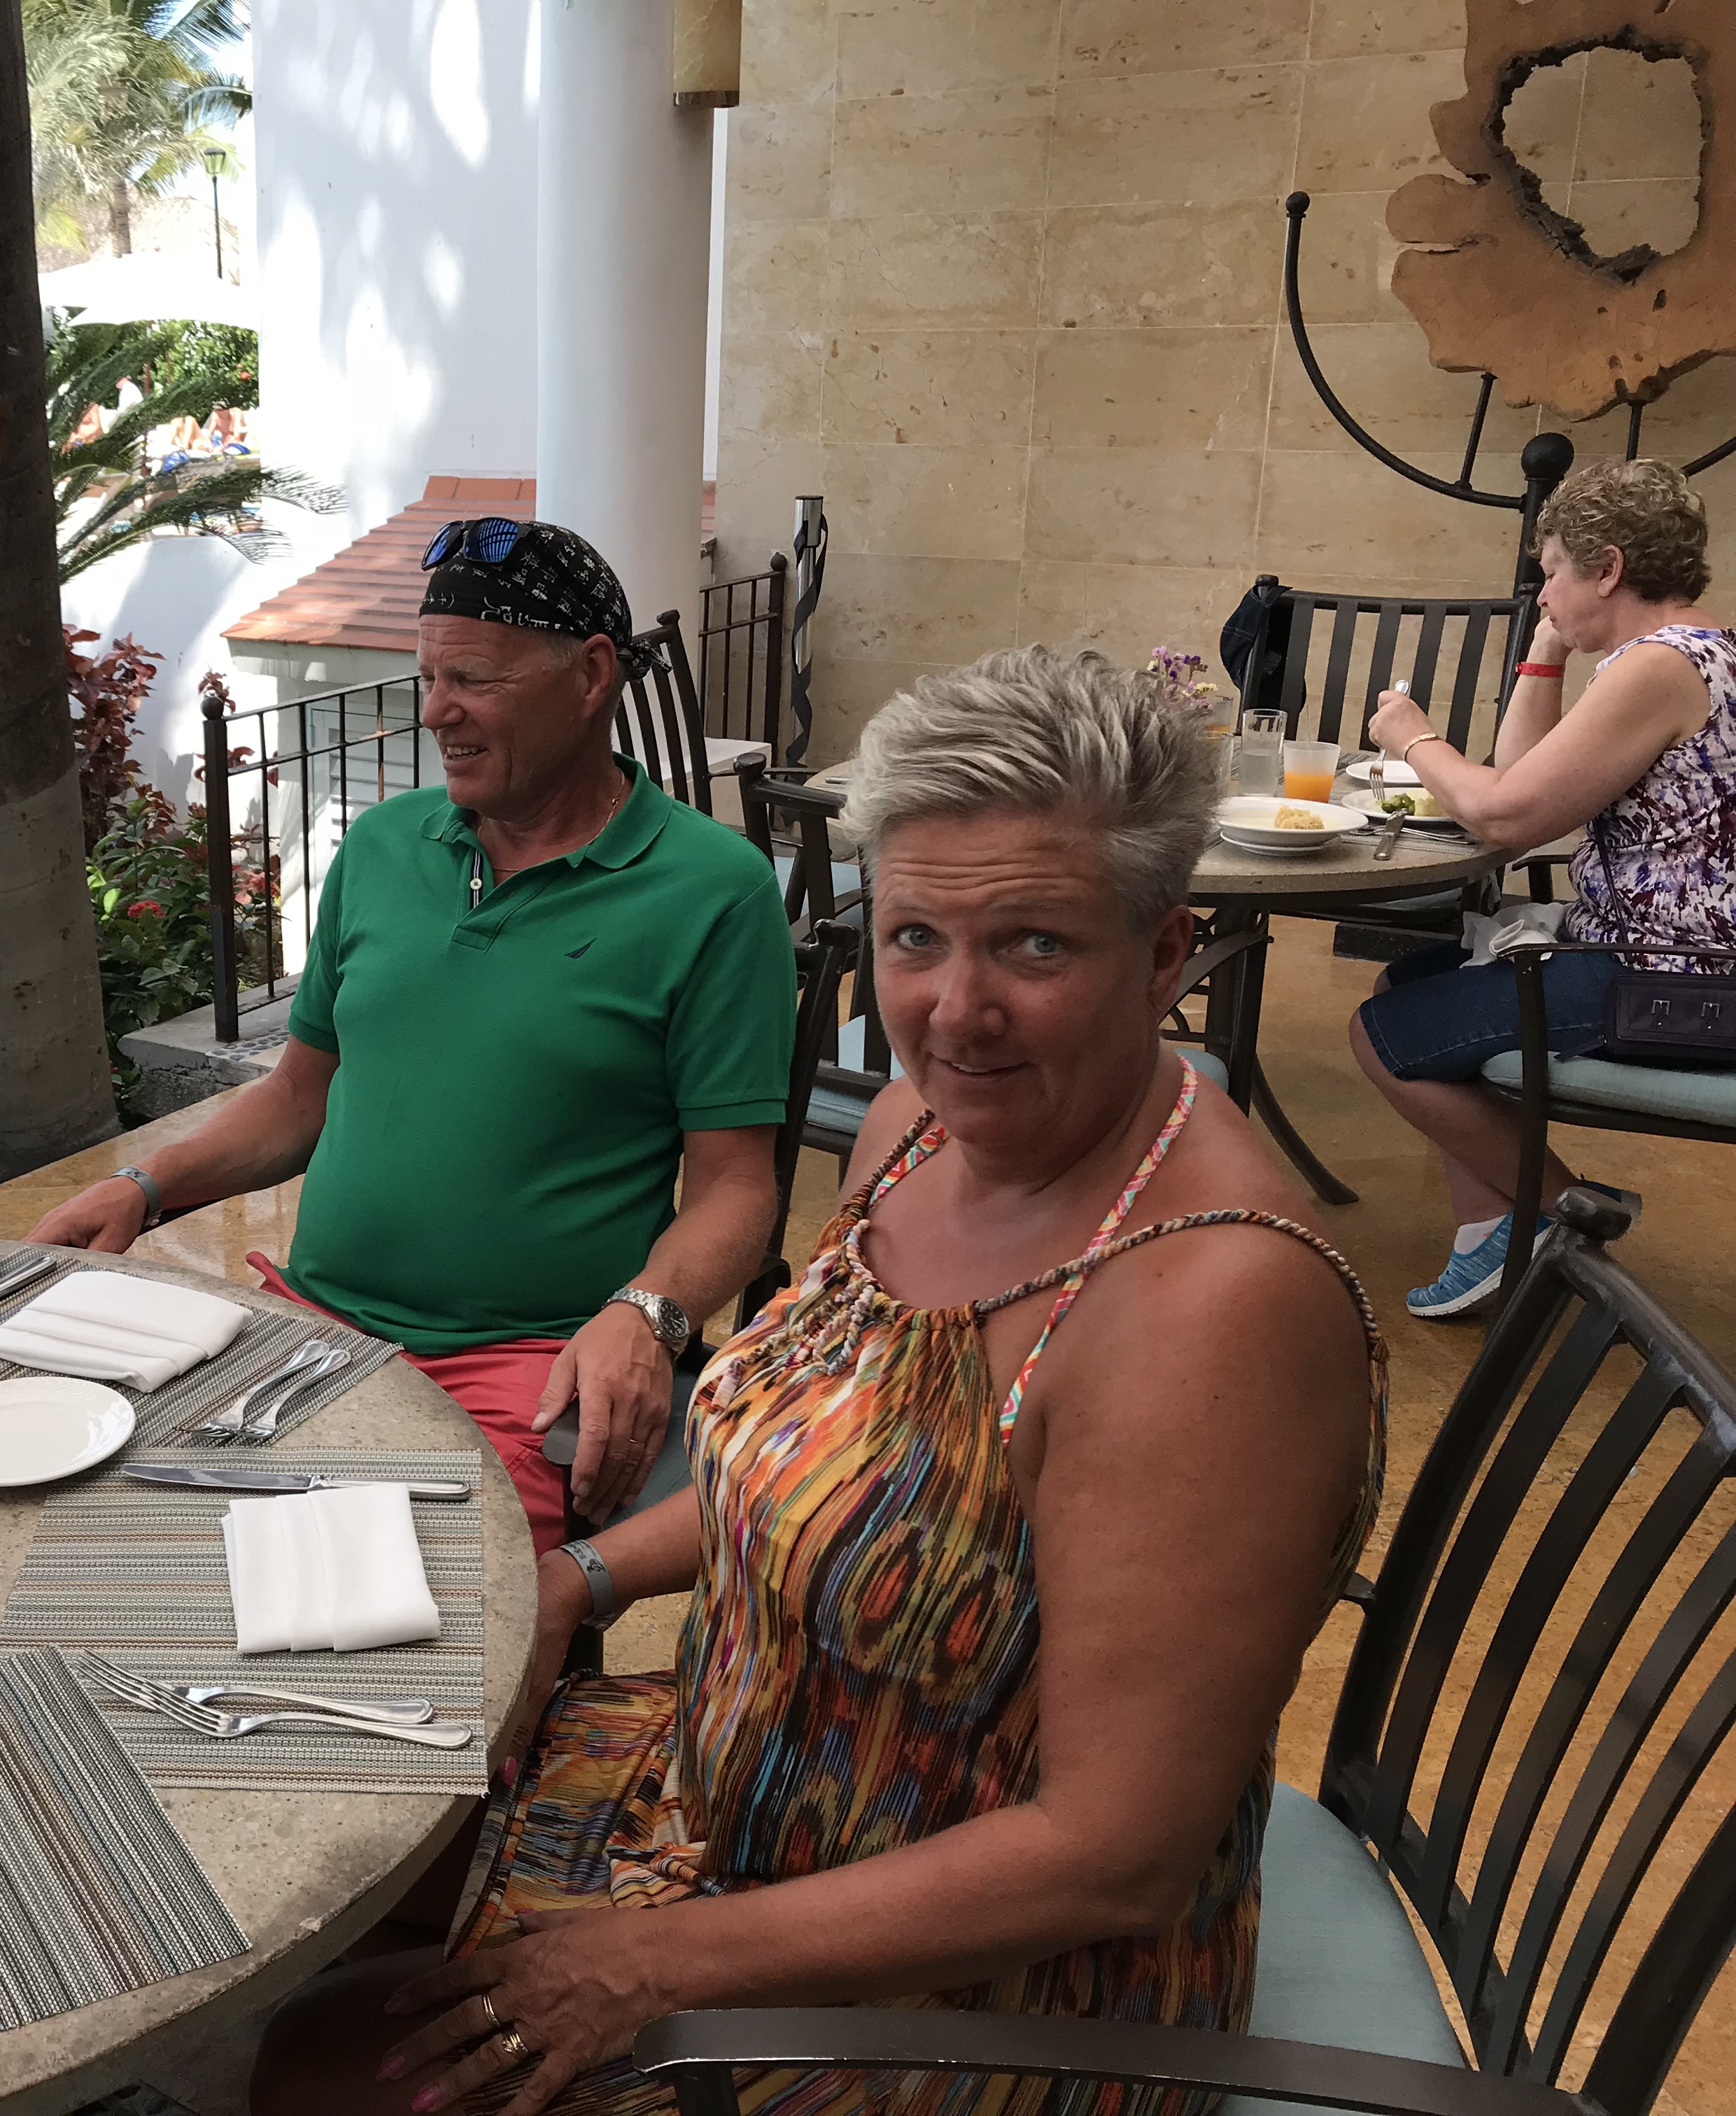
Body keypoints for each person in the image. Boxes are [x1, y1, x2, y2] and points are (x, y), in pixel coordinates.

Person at [252, 646, 1385, 2116]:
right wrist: (577, 1578)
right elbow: (819, 1448)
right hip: (738, 1787)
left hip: (987, 1989)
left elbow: (1114, 1854)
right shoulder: (919, 1129)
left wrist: (647, 1966)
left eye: (1035, 946)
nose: (955, 1011)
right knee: (342, 1819)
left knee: (325, 2064)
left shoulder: (1210, 1308)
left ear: (1164, 956)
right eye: (914, 937)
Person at [27, 520, 796, 1550]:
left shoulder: (712, 891)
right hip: (309, 1326)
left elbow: (738, 1186)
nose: (436, 712)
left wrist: (647, 1314)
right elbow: (298, 1097)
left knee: (399, 1597)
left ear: (591, 676)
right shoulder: (385, 845)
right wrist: (145, 1187)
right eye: (429, 678)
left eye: (472, 679)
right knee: (131, 1537)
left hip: (526, 1365)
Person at [1353, 458, 1731, 1317]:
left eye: (1553, 571)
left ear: (1608, 568)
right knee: (1411, 986)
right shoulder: (1701, 655)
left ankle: (1568, 1217)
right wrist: (1548, 646)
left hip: (1681, 984)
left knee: (1382, 1034)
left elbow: (1503, 815)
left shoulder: (1660, 667)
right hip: (1668, 962)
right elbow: (1523, 781)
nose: (1544, 593)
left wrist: (1413, 739)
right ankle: (1494, 1235)